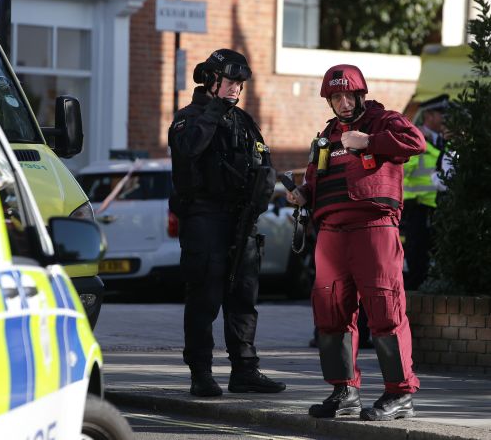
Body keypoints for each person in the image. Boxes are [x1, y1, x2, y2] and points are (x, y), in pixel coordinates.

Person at [287, 64, 424, 421]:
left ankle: (400, 394)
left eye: (349, 95)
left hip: (374, 227)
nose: (344, 103)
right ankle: (344, 391)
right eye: (336, 97)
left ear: (361, 94)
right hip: (331, 233)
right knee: (330, 313)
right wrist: (303, 193)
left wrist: (370, 142)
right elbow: (317, 179)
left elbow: (416, 142)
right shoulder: (327, 136)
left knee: (385, 309)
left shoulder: (384, 121)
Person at [168, 49, 285, 397]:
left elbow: (263, 160)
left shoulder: (243, 121)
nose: (237, 88)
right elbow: (189, 149)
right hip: (204, 218)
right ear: (212, 80)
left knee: (243, 297)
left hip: (241, 219)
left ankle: (245, 369)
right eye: (231, 81)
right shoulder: (189, 118)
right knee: (204, 297)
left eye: (240, 83)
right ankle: (201, 372)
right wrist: (215, 110)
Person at [402, 94, 449, 290]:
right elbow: (401, 170)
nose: (445, 119)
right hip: (416, 208)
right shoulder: (416, 140)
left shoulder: (443, 141)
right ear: (429, 115)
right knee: (416, 258)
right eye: (441, 114)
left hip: (436, 208)